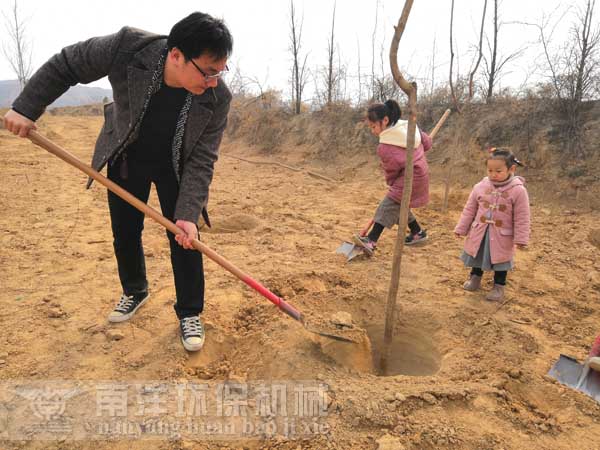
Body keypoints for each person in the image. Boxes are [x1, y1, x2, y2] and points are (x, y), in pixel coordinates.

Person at [3, 12, 233, 352]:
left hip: (176, 165)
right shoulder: (127, 48)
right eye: (209, 71)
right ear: (176, 56)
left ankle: (189, 312)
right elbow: (67, 64)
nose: (214, 80)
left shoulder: (217, 98)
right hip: (128, 155)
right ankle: (134, 291)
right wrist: (26, 107)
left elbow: (203, 158)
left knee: (185, 236)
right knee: (125, 231)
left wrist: (188, 213)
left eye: (221, 71)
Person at [353, 99, 432, 256]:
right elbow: (427, 143)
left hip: (409, 177)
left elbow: (391, 171)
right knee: (399, 206)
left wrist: (391, 184)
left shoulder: (385, 146)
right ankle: (417, 232)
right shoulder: (410, 127)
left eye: (373, 126)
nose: (373, 131)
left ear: (385, 120)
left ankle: (371, 240)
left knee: (387, 206)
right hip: (422, 174)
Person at [454, 148, 530, 301]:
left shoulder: (518, 191)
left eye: (498, 171)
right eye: (490, 170)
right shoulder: (480, 187)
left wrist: (521, 239)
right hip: (480, 231)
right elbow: (470, 209)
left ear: (511, 169)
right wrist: (461, 228)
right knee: (477, 255)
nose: (493, 174)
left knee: (501, 261)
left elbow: (522, 216)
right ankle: (475, 279)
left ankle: (499, 287)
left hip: (502, 235)